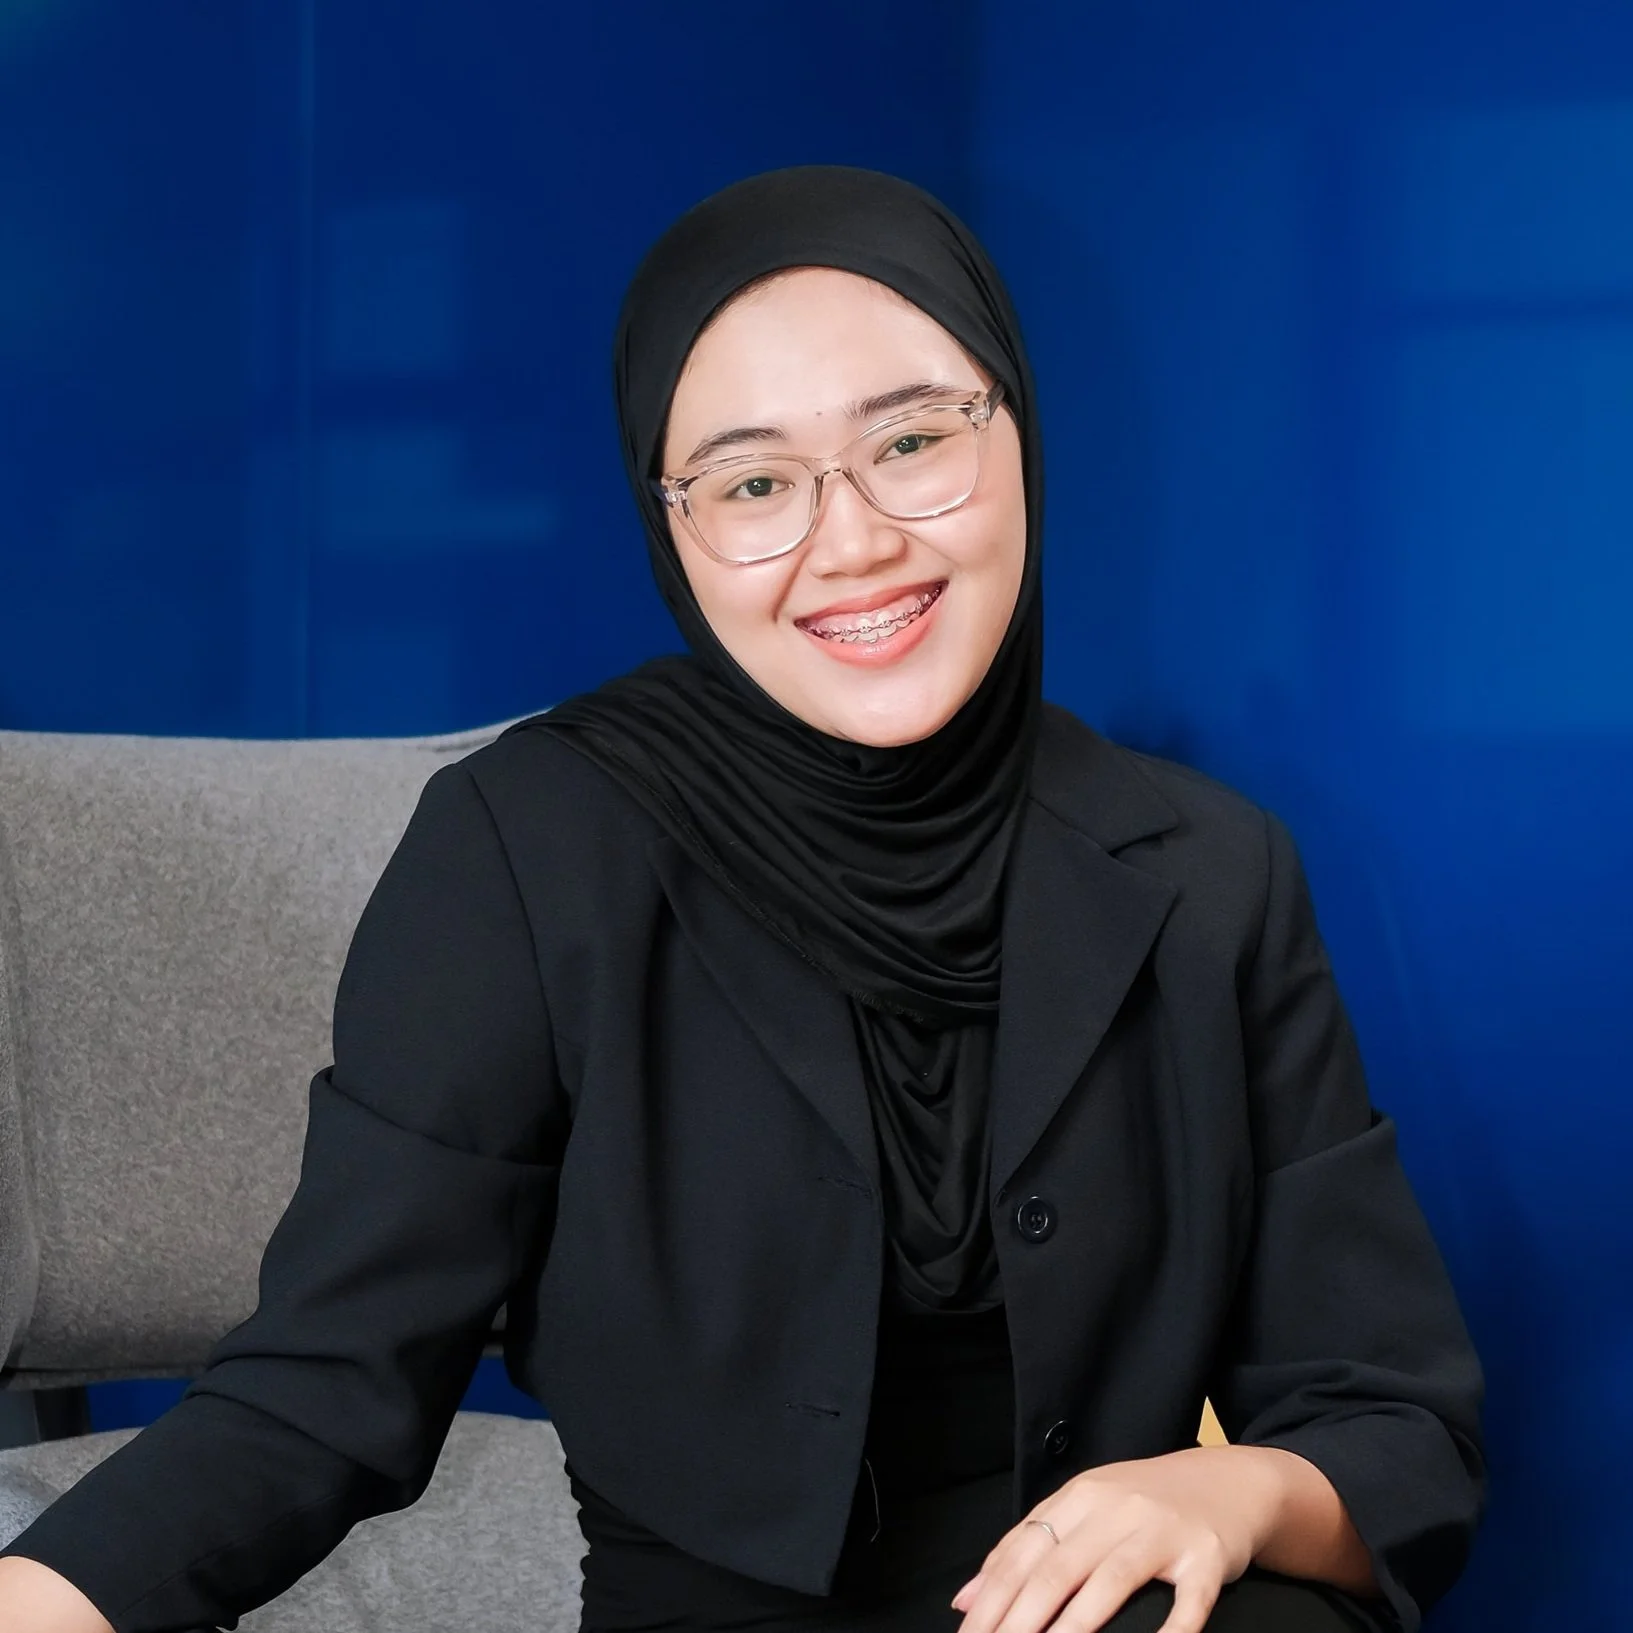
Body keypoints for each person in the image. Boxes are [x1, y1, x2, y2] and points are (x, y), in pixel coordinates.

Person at [0, 165, 1485, 1633]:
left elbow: (1397, 1430)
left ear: (1019, 435)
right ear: (672, 525)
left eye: (911, 442)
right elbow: (325, 1391)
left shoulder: (1213, 872)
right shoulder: (533, 848)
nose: (852, 543)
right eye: (756, 482)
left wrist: (1224, 1497)